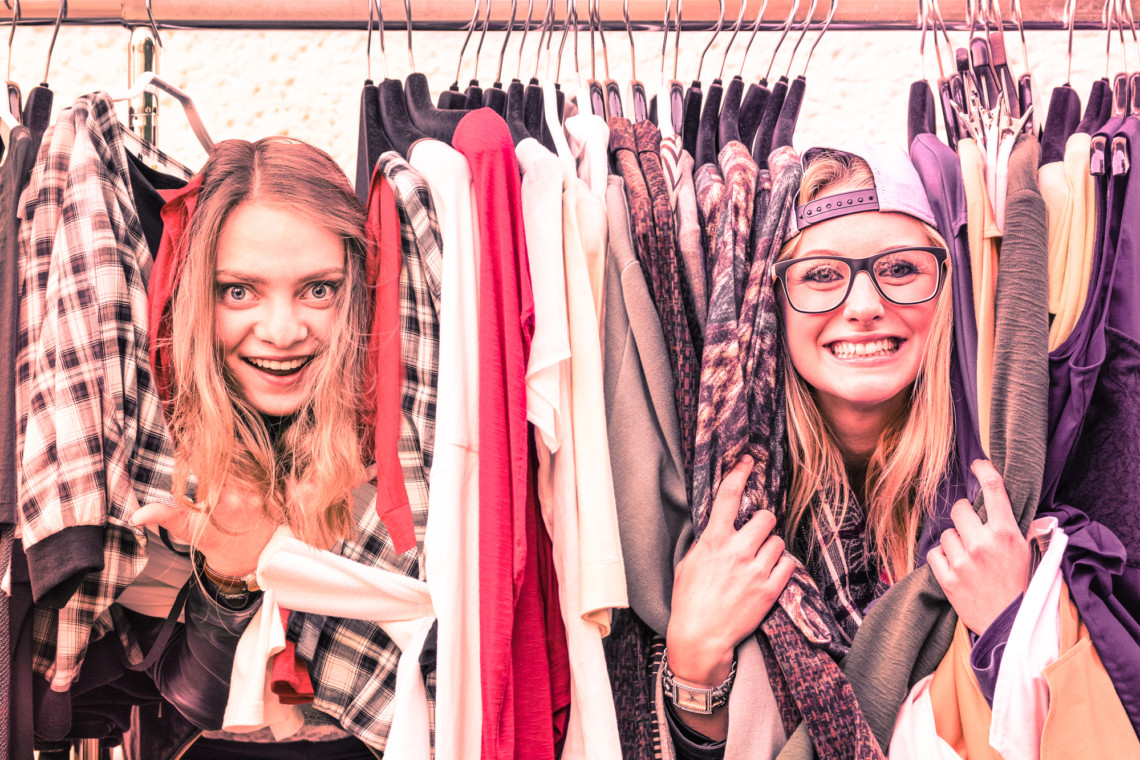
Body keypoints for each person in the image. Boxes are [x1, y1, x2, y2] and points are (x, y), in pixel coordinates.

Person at [661, 145, 1039, 757]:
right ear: (771, 306)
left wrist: (1013, 629)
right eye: (820, 275)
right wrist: (694, 664)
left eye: (899, 270)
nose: (863, 307)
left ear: (947, 291)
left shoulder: (1001, 502)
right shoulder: (733, 511)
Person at [132, 137, 390, 759]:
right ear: (199, 295)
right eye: (239, 291)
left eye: (318, 290)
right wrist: (226, 579)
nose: (281, 333)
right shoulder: (157, 435)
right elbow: (195, 704)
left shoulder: (407, 440)